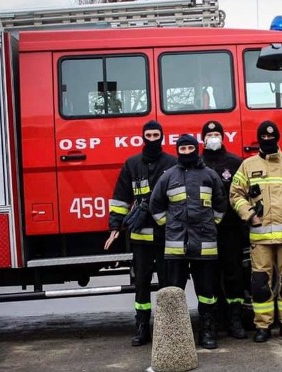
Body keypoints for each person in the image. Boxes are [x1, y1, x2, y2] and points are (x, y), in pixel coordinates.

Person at [230, 120, 282, 343]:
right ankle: (263, 326)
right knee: (259, 284)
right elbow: (235, 194)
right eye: (263, 138)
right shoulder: (247, 166)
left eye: (271, 137)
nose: (267, 141)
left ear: (278, 138)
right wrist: (249, 214)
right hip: (261, 239)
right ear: (259, 140)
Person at [149, 134, 228, 349]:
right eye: (182, 149)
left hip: (204, 245)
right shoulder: (168, 176)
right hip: (176, 246)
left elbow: (221, 205)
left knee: (207, 293)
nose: (186, 153)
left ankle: (207, 331)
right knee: (174, 292)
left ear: (197, 149)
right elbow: (155, 206)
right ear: (177, 151)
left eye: (189, 149)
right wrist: (170, 226)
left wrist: (211, 225)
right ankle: (175, 336)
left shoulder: (209, 175)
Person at [104, 120, 177, 347]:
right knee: (142, 284)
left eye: (156, 135)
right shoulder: (132, 164)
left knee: (168, 284)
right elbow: (120, 198)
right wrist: (115, 227)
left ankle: (168, 330)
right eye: (149, 135)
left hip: (166, 236)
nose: (153, 139)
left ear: (162, 137)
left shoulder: (173, 164)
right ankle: (142, 327)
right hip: (141, 238)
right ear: (143, 137)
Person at [200, 120, 249, 339]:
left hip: (230, 230)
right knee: (208, 277)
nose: (213, 138)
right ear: (203, 139)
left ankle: (235, 320)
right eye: (209, 134)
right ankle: (214, 320)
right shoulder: (196, 163)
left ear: (223, 136)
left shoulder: (236, 163)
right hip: (204, 231)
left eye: (217, 134)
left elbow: (244, 194)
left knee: (233, 275)